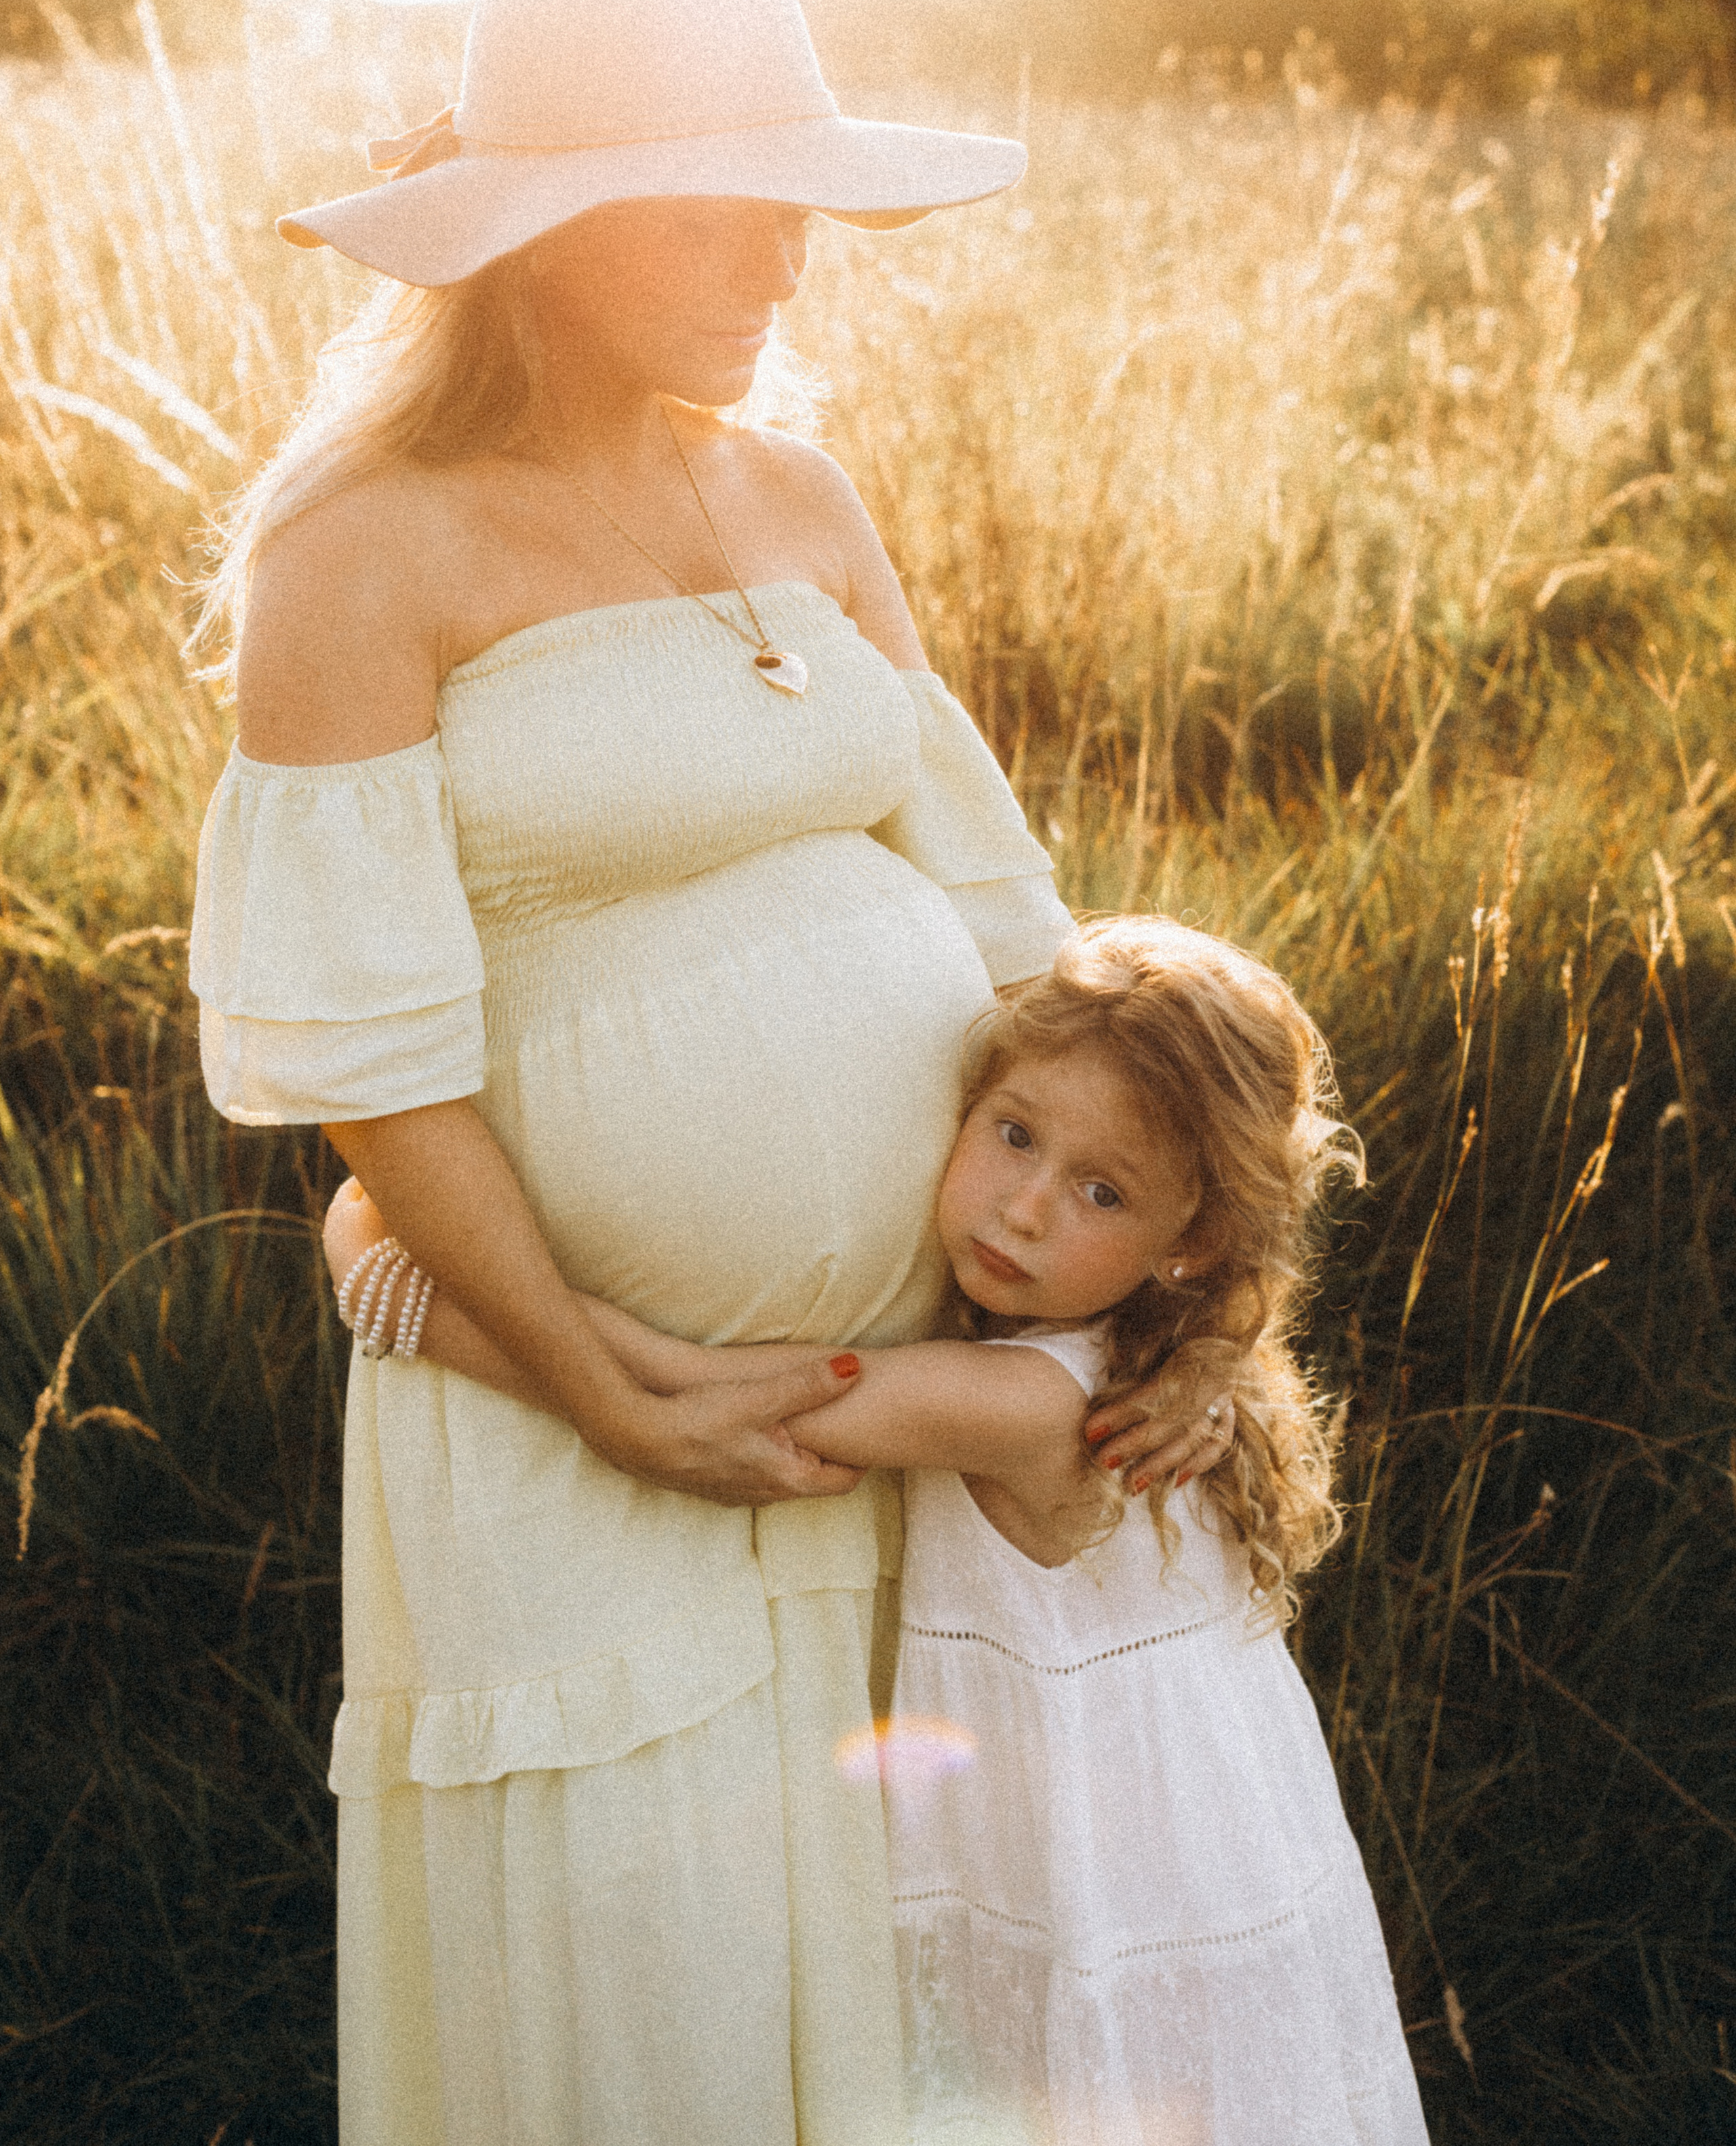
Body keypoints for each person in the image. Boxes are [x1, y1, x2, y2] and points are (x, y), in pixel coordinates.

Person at [187, 0, 1239, 2146]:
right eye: (722, 207)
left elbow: (1010, 924)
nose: (787, 259)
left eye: (801, 203)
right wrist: (591, 1376)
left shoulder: (797, 503)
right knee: (644, 1999)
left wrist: (1196, 1294)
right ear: (544, 234)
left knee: (902, 2002)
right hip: (587, 1442)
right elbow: (372, 1061)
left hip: (899, 1422)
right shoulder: (363, 553)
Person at [328, 917, 1429, 2144]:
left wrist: (406, 1295)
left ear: (1191, 1248)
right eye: (1015, 1134)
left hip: (1113, 1885)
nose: (1023, 1209)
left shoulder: (1028, 1405)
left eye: (1099, 1191)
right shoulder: (1167, 1363)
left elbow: (705, 1386)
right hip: (1205, 1837)